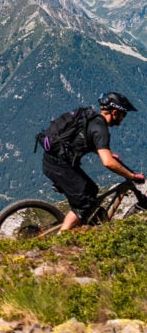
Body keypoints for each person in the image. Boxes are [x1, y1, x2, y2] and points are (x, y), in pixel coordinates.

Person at [42, 91, 144, 230]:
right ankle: (61, 239)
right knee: (85, 202)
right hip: (60, 166)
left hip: (53, 161)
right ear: (114, 112)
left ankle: (76, 226)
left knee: (91, 189)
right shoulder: (100, 129)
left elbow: (81, 140)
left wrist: (103, 152)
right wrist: (131, 176)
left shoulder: (91, 119)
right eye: (123, 114)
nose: (123, 118)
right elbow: (108, 162)